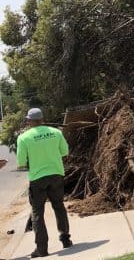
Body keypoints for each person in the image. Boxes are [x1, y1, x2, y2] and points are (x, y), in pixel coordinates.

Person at [16, 108, 72, 258]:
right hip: (56, 174)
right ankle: (65, 239)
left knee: (37, 213)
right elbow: (65, 151)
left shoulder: (24, 137)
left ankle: (42, 249)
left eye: (28, 119)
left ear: (30, 121)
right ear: (42, 119)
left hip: (37, 179)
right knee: (59, 206)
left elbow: (21, 162)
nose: (27, 122)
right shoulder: (56, 132)